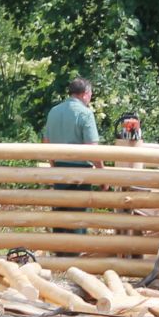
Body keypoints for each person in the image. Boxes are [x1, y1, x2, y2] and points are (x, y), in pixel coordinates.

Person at [44, 78, 102, 234]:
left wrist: (53, 165)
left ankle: (59, 253)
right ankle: (77, 254)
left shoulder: (54, 111)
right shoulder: (85, 113)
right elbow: (93, 149)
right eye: (90, 94)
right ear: (85, 94)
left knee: (60, 216)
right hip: (80, 173)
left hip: (59, 170)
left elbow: (46, 142)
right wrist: (102, 174)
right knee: (78, 219)